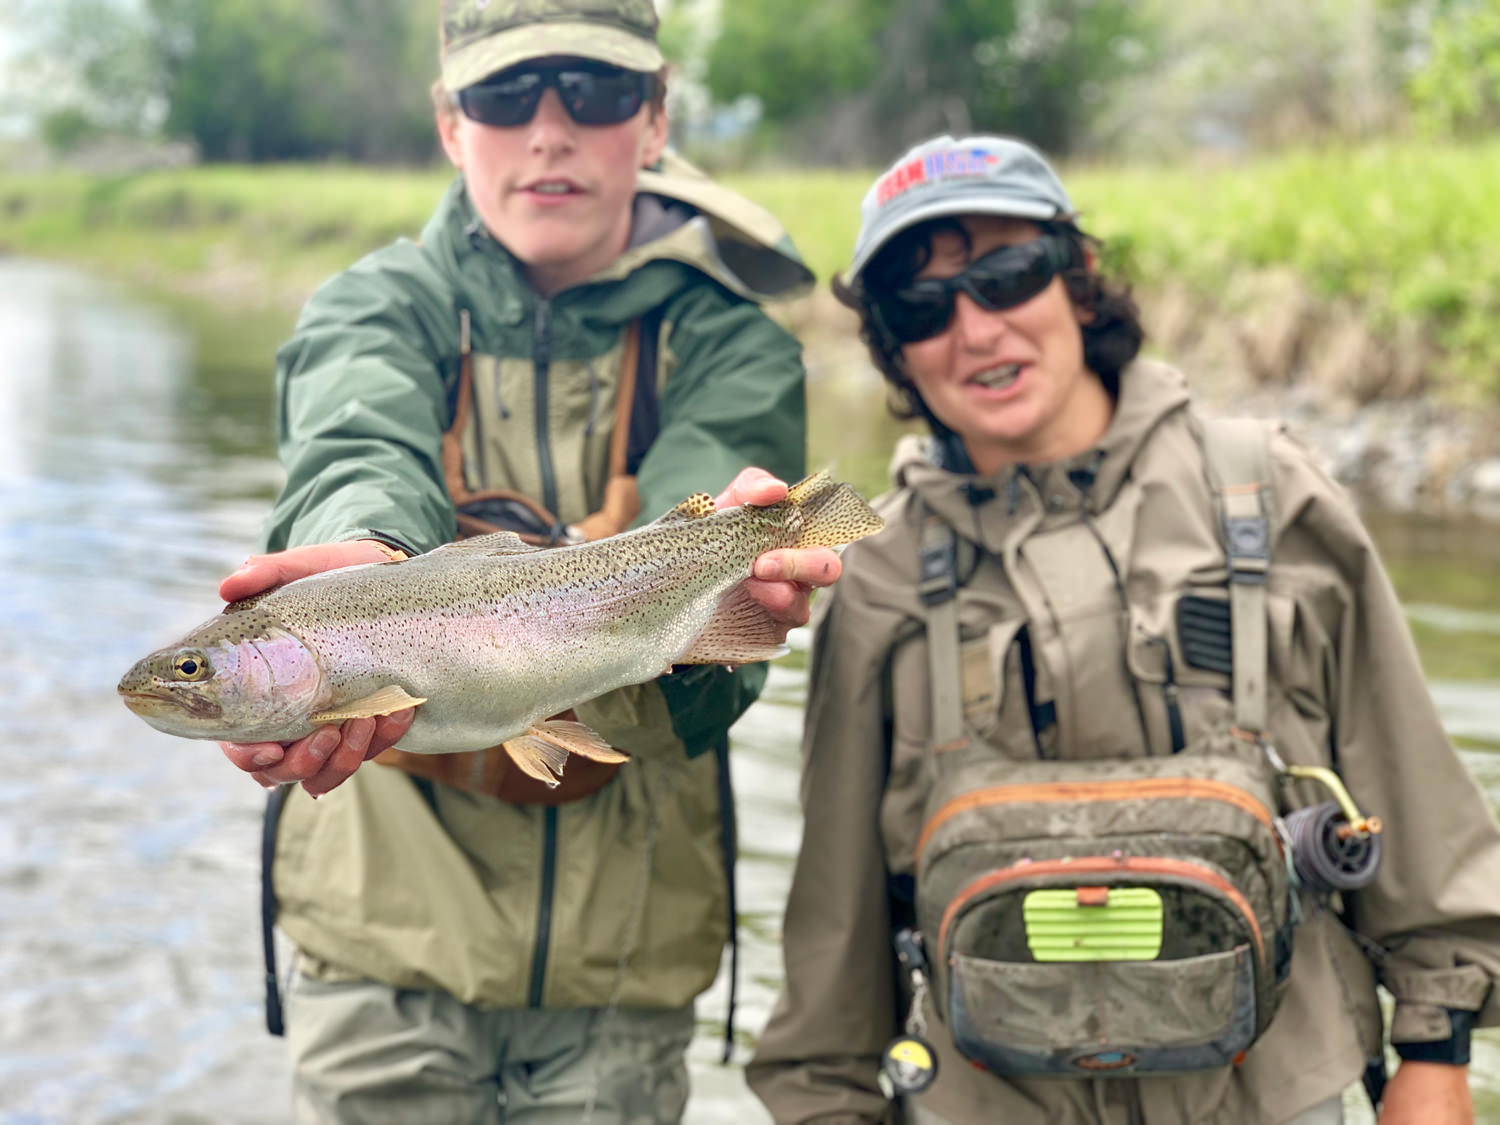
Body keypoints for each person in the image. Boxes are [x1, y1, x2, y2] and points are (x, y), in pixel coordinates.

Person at [746, 133, 1500, 1125]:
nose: (974, 330)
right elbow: (836, 923)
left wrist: (1434, 1054)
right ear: (891, 349)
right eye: (921, 308)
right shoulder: (875, 570)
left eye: (1007, 275)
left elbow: (1408, 781)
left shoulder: (1266, 488)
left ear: (1078, 280)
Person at [214, 2, 843, 1121]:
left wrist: (739, 594)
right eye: (509, 97)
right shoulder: (374, 309)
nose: (549, 131)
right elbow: (356, 447)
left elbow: (713, 664)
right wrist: (371, 570)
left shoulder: (731, 341)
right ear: (452, 125)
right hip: (378, 959)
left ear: (653, 121)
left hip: (625, 978)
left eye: (592, 95)